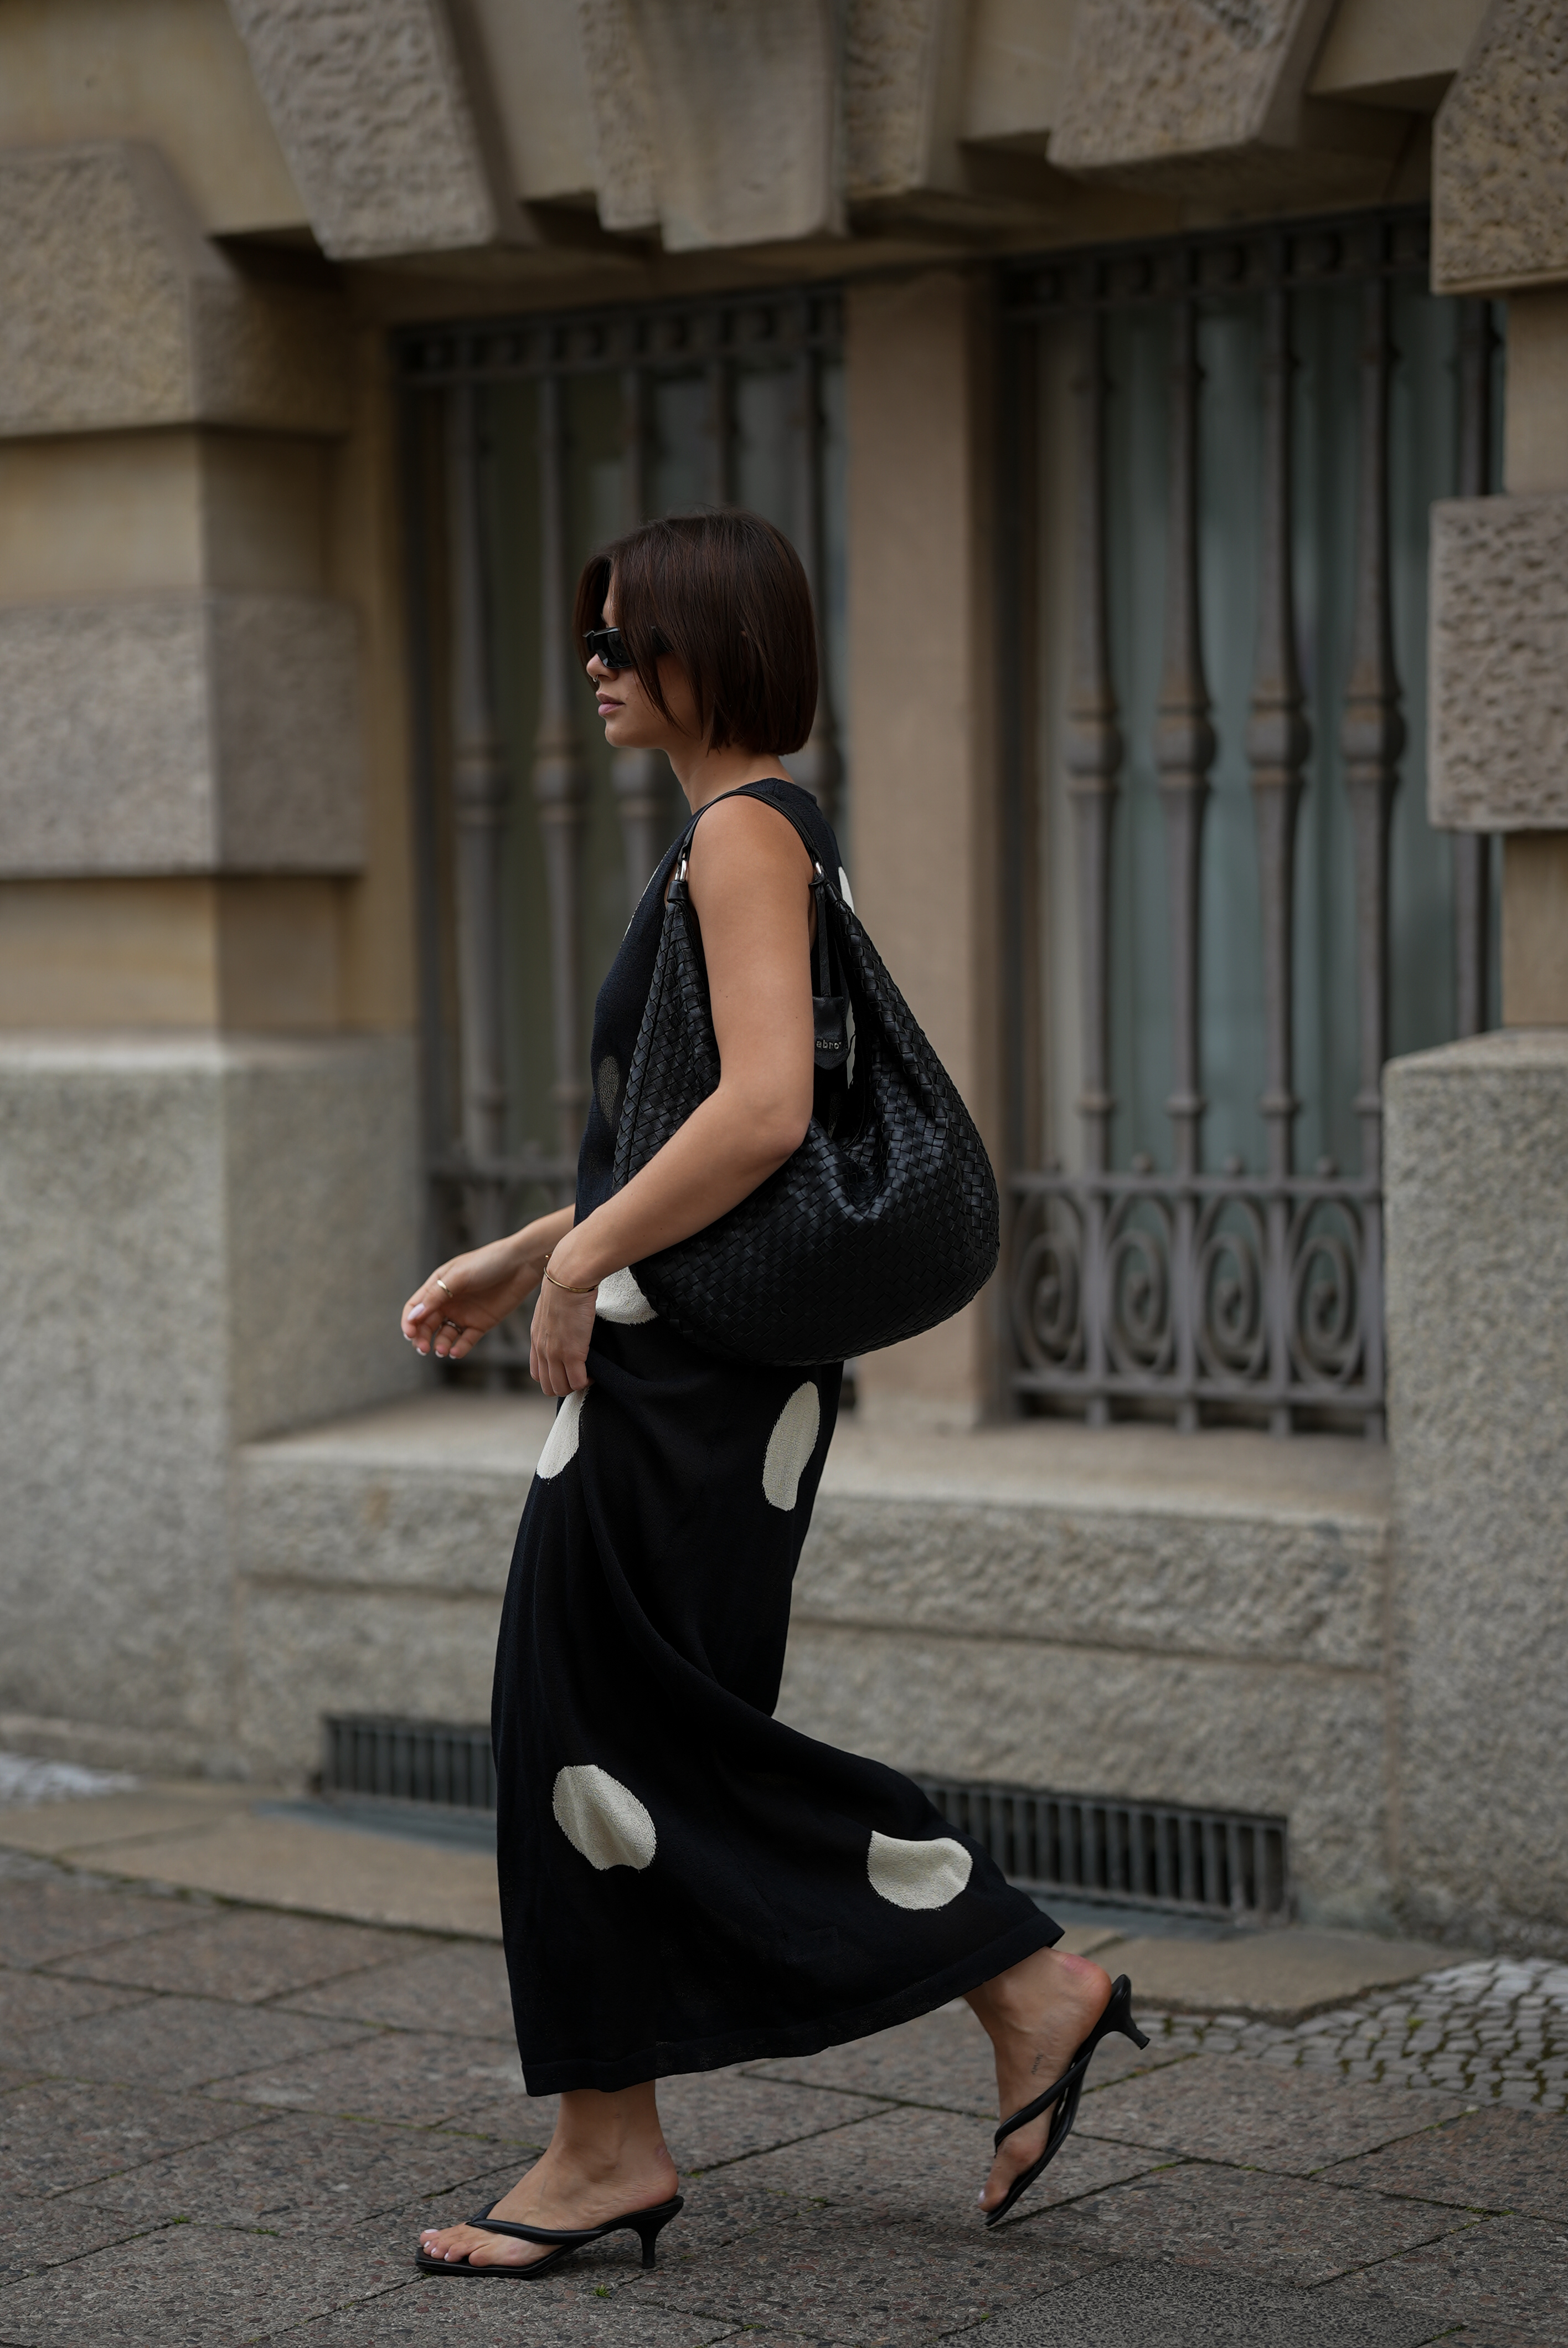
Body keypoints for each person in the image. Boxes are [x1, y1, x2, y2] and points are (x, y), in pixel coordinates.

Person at [404, 509, 1143, 2280]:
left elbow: (765, 1119)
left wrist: (582, 1273)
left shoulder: (740, 837)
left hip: (684, 1394)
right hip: (717, 1390)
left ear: (703, 652)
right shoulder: (745, 841)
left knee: (592, 1729)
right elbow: (702, 1137)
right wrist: (535, 1247)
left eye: (618, 640)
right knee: (649, 1742)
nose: (590, 668)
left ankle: (632, 2143)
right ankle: (664, 2121)